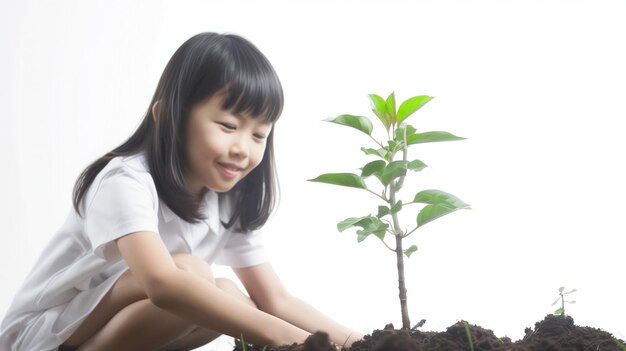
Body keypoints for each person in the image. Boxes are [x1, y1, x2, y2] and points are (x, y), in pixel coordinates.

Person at [0, 32, 362, 351]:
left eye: (258, 135)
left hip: (113, 323)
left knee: (230, 296)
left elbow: (276, 300)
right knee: (192, 276)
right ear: (168, 115)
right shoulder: (125, 180)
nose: (243, 148)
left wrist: (363, 344)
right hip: (41, 335)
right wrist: (290, 339)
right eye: (228, 125)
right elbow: (161, 283)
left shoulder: (228, 197)